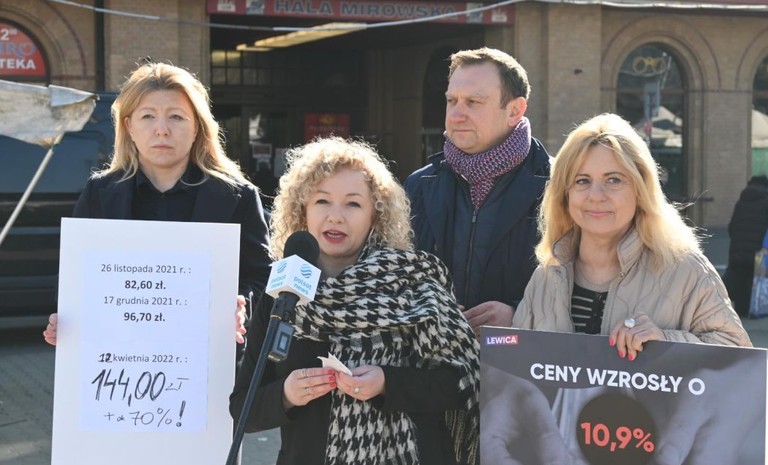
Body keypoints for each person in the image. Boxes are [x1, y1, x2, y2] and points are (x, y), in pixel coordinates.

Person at [485, 113, 751, 464]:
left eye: (613, 180)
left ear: (640, 190)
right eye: (582, 181)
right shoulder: (547, 276)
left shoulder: (685, 269)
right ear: (564, 195)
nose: (596, 195)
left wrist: (667, 341)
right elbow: (524, 371)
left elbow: (739, 355)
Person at [230, 137, 479, 465]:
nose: (336, 216)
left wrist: (388, 383)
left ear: (376, 216)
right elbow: (243, 409)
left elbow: (463, 382)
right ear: (302, 210)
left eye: (353, 204)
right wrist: (286, 394)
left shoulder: (414, 283)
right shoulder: (282, 292)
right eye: (322, 201)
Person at [42, 61, 271, 346]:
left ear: (197, 127)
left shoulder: (238, 197)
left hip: (209, 357)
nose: (162, 130)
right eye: (148, 116)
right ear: (129, 126)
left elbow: (263, 278)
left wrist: (242, 308)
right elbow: (73, 277)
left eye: (176, 117)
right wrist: (66, 318)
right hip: (120, 357)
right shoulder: (98, 193)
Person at [405, 47, 550, 337]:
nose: (457, 115)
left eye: (473, 102)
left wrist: (520, 314)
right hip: (434, 358)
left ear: (515, 110)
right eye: (452, 101)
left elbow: (585, 284)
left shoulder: (559, 187)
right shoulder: (418, 186)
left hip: (517, 359)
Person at [724, 174, 768, 316]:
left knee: (739, 278)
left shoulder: (741, 202)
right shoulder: (766, 202)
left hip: (738, 248)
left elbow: (731, 226)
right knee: (753, 279)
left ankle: (740, 311)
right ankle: (754, 308)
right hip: (758, 250)